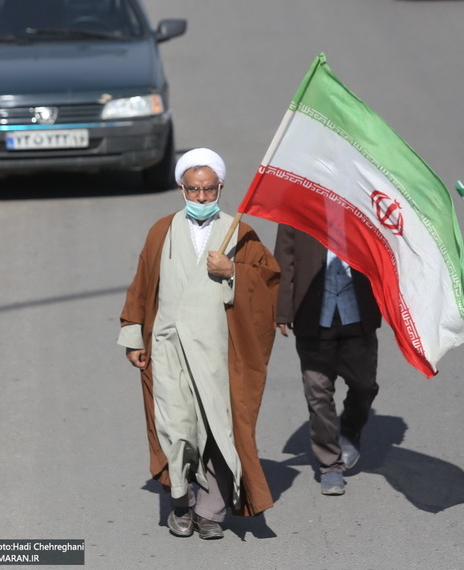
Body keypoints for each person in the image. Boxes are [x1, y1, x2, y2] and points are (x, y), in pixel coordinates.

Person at [117, 148, 280, 539]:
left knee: (218, 430)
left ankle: (210, 511)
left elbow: (269, 283)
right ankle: (181, 502)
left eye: (209, 190)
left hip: (218, 353)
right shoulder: (161, 231)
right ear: (181, 188)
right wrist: (133, 335)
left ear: (221, 187)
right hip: (168, 348)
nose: (202, 198)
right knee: (177, 429)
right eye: (194, 190)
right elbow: (143, 285)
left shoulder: (239, 232)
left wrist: (234, 273)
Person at [273, 224, 381, 496]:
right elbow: (284, 258)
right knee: (318, 393)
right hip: (313, 315)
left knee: (364, 385)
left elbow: (386, 253)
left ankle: (350, 429)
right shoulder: (297, 203)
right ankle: (330, 465)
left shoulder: (362, 199)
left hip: (357, 314)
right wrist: (283, 309)